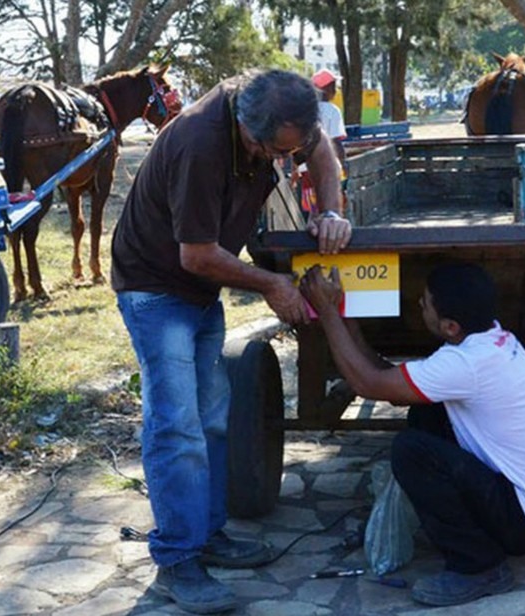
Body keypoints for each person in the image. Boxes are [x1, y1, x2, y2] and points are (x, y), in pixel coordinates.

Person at [111, 69, 352, 615]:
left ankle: (208, 534)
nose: (278, 161)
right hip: (155, 288)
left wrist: (331, 211)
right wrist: (271, 283)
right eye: (271, 152)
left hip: (199, 292)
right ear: (249, 129)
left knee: (214, 417)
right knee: (177, 426)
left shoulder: (284, 116)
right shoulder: (201, 143)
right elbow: (194, 255)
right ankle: (177, 558)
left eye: (286, 151)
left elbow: (322, 156)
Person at [299, 263, 525, 607]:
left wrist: (325, 313)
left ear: (450, 326)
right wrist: (343, 315)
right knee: (424, 411)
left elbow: (367, 383)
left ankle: (479, 565)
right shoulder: (492, 341)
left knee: (411, 451)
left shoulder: (467, 365)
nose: (420, 306)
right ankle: (467, 537)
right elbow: (390, 384)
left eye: (425, 303)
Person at [297, 69, 347, 214]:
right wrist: (343, 164)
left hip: (306, 169)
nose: (336, 90)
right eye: (334, 87)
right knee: (331, 209)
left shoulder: (304, 111)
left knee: (313, 209)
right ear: (327, 89)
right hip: (328, 168)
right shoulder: (333, 111)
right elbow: (336, 141)